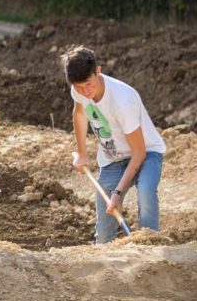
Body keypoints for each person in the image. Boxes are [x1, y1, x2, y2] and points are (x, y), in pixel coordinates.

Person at [63, 46, 166, 243]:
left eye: (88, 84)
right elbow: (79, 113)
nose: (85, 92)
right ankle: (105, 257)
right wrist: (82, 153)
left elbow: (139, 152)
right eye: (78, 87)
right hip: (113, 158)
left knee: (145, 191)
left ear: (98, 71)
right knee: (103, 231)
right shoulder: (78, 90)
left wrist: (117, 193)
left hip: (146, 153)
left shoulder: (122, 101)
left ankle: (149, 245)